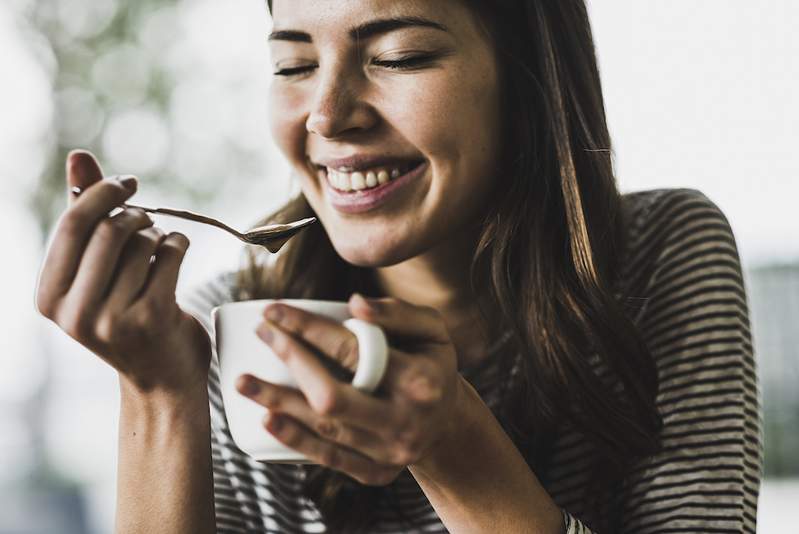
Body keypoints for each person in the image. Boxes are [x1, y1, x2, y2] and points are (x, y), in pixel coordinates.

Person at [35, 0, 761, 532]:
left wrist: (454, 446)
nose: (327, 114)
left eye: (400, 56)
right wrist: (161, 392)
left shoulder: (657, 251)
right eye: (293, 64)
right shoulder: (233, 329)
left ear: (527, 77)